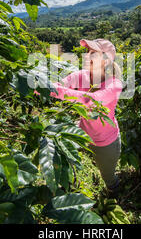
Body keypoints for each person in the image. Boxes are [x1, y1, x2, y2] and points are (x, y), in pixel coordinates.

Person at [49, 38, 123, 195]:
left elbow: (90, 100)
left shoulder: (114, 85)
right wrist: (41, 85)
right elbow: (60, 84)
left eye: (94, 54)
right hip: (82, 132)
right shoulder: (81, 75)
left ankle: (115, 195)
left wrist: (56, 90)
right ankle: (67, 186)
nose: (88, 56)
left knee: (108, 178)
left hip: (106, 142)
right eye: (89, 53)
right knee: (62, 154)